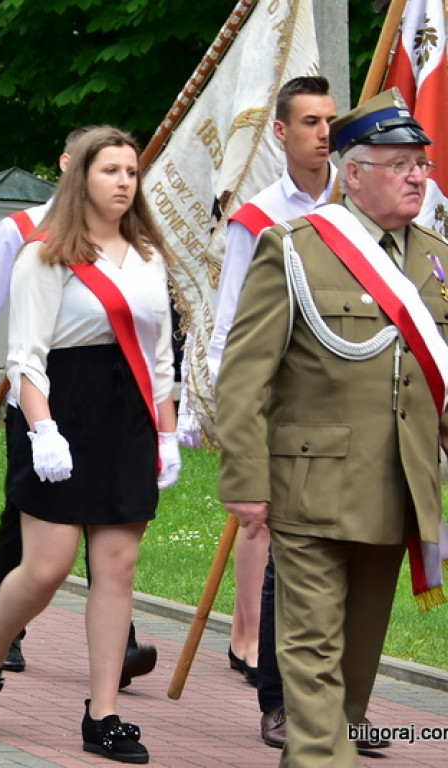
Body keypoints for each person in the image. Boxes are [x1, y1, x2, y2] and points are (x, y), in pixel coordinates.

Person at [216, 88, 448, 767]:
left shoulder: (434, 259)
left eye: (422, 165)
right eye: (400, 163)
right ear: (354, 173)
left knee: (352, 675)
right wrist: (245, 482)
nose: (417, 177)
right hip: (311, 489)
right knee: (311, 655)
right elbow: (244, 375)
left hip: (399, 489)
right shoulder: (296, 250)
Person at [0, 126, 180, 765]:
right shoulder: (46, 252)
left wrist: (167, 433)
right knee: (49, 566)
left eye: (131, 172)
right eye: (110, 170)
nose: (122, 182)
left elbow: (159, 357)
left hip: (129, 413)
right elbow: (24, 358)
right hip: (61, 408)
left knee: (117, 569)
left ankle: (102, 714)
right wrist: (44, 430)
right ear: (80, 176)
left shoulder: (146, 254)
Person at [203, 76, 338, 713]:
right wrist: (224, 399)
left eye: (330, 121)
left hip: (338, 395)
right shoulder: (257, 218)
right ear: (281, 132)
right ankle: (250, 641)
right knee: (261, 521)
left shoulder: (356, 206)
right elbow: (231, 317)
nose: (323, 133)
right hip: (275, 392)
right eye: (309, 122)